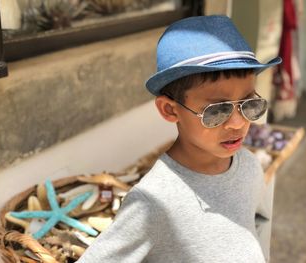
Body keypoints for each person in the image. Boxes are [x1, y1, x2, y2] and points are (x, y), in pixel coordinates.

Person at [76, 15, 281, 263]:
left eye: (249, 104)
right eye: (216, 111)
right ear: (170, 110)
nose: (238, 123)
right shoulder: (154, 202)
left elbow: (257, 229)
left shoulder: (249, 166)